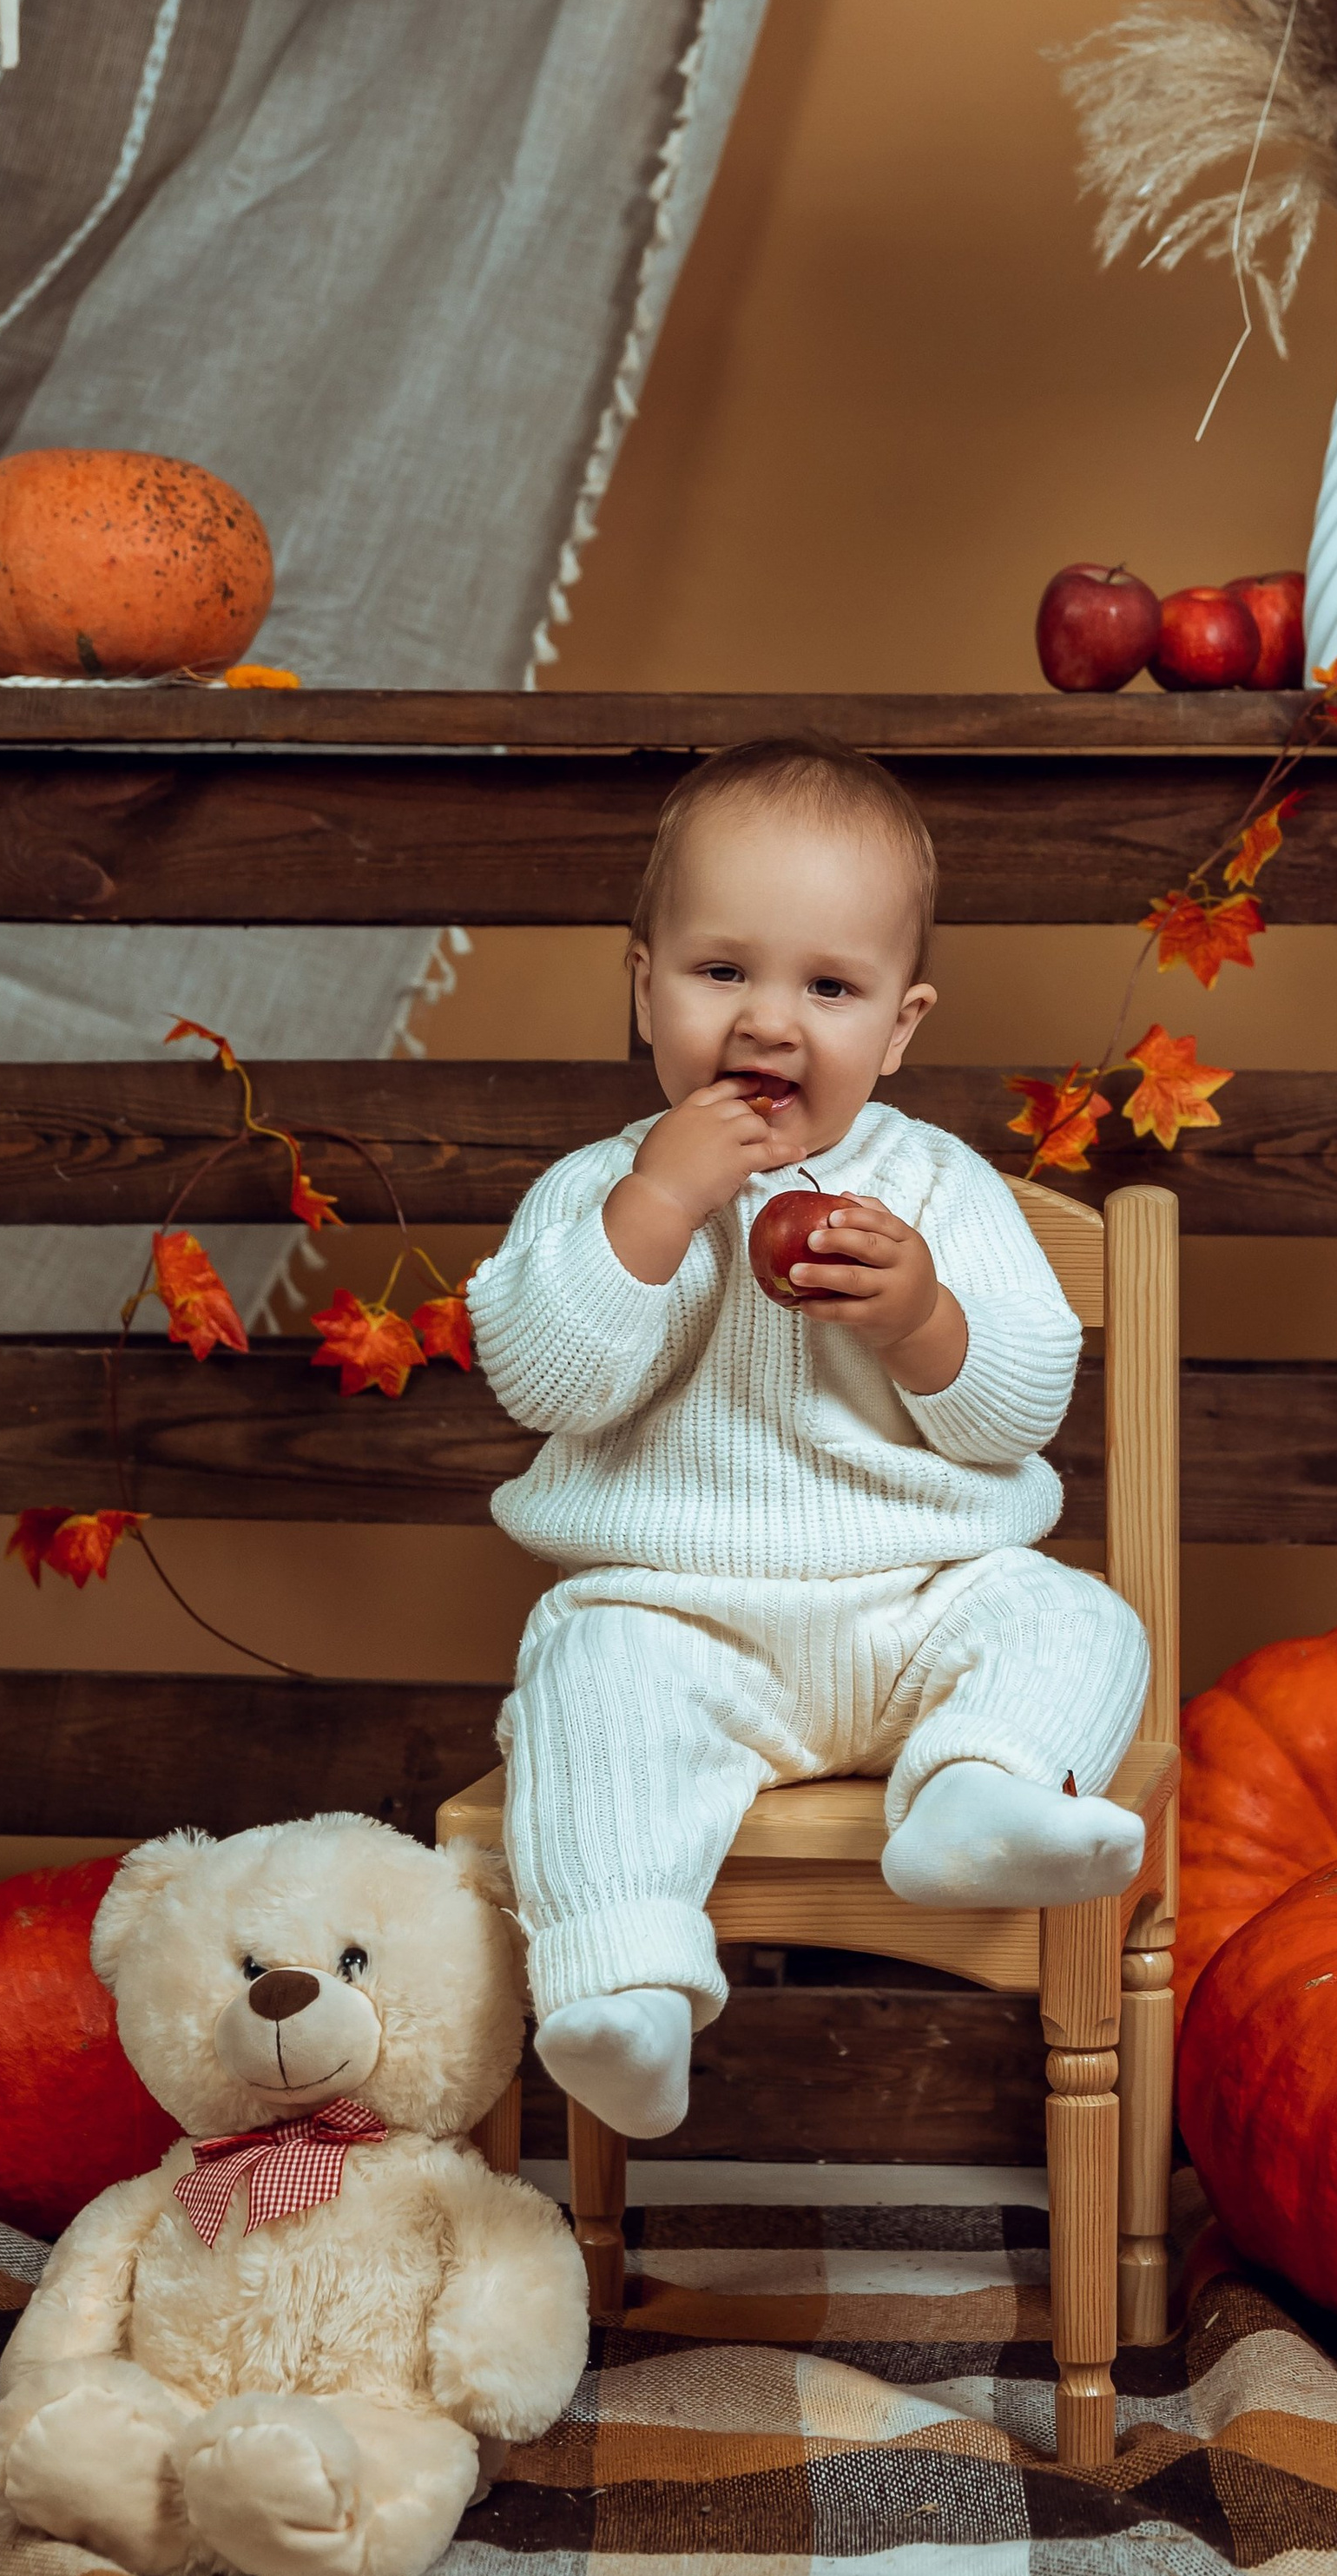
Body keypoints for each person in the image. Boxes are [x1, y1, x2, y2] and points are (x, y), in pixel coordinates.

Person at [465, 735, 1150, 2139]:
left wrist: (921, 1318)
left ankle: (978, 1790)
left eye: (827, 987)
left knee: (1082, 1619)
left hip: (919, 1611)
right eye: (723, 971)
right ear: (643, 984)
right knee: (585, 1681)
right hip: (681, 1624)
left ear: (898, 1029)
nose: (770, 1023)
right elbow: (542, 1376)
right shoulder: (600, 1185)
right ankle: (619, 1990)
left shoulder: (938, 1186)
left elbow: (1023, 1404)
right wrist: (657, 1207)